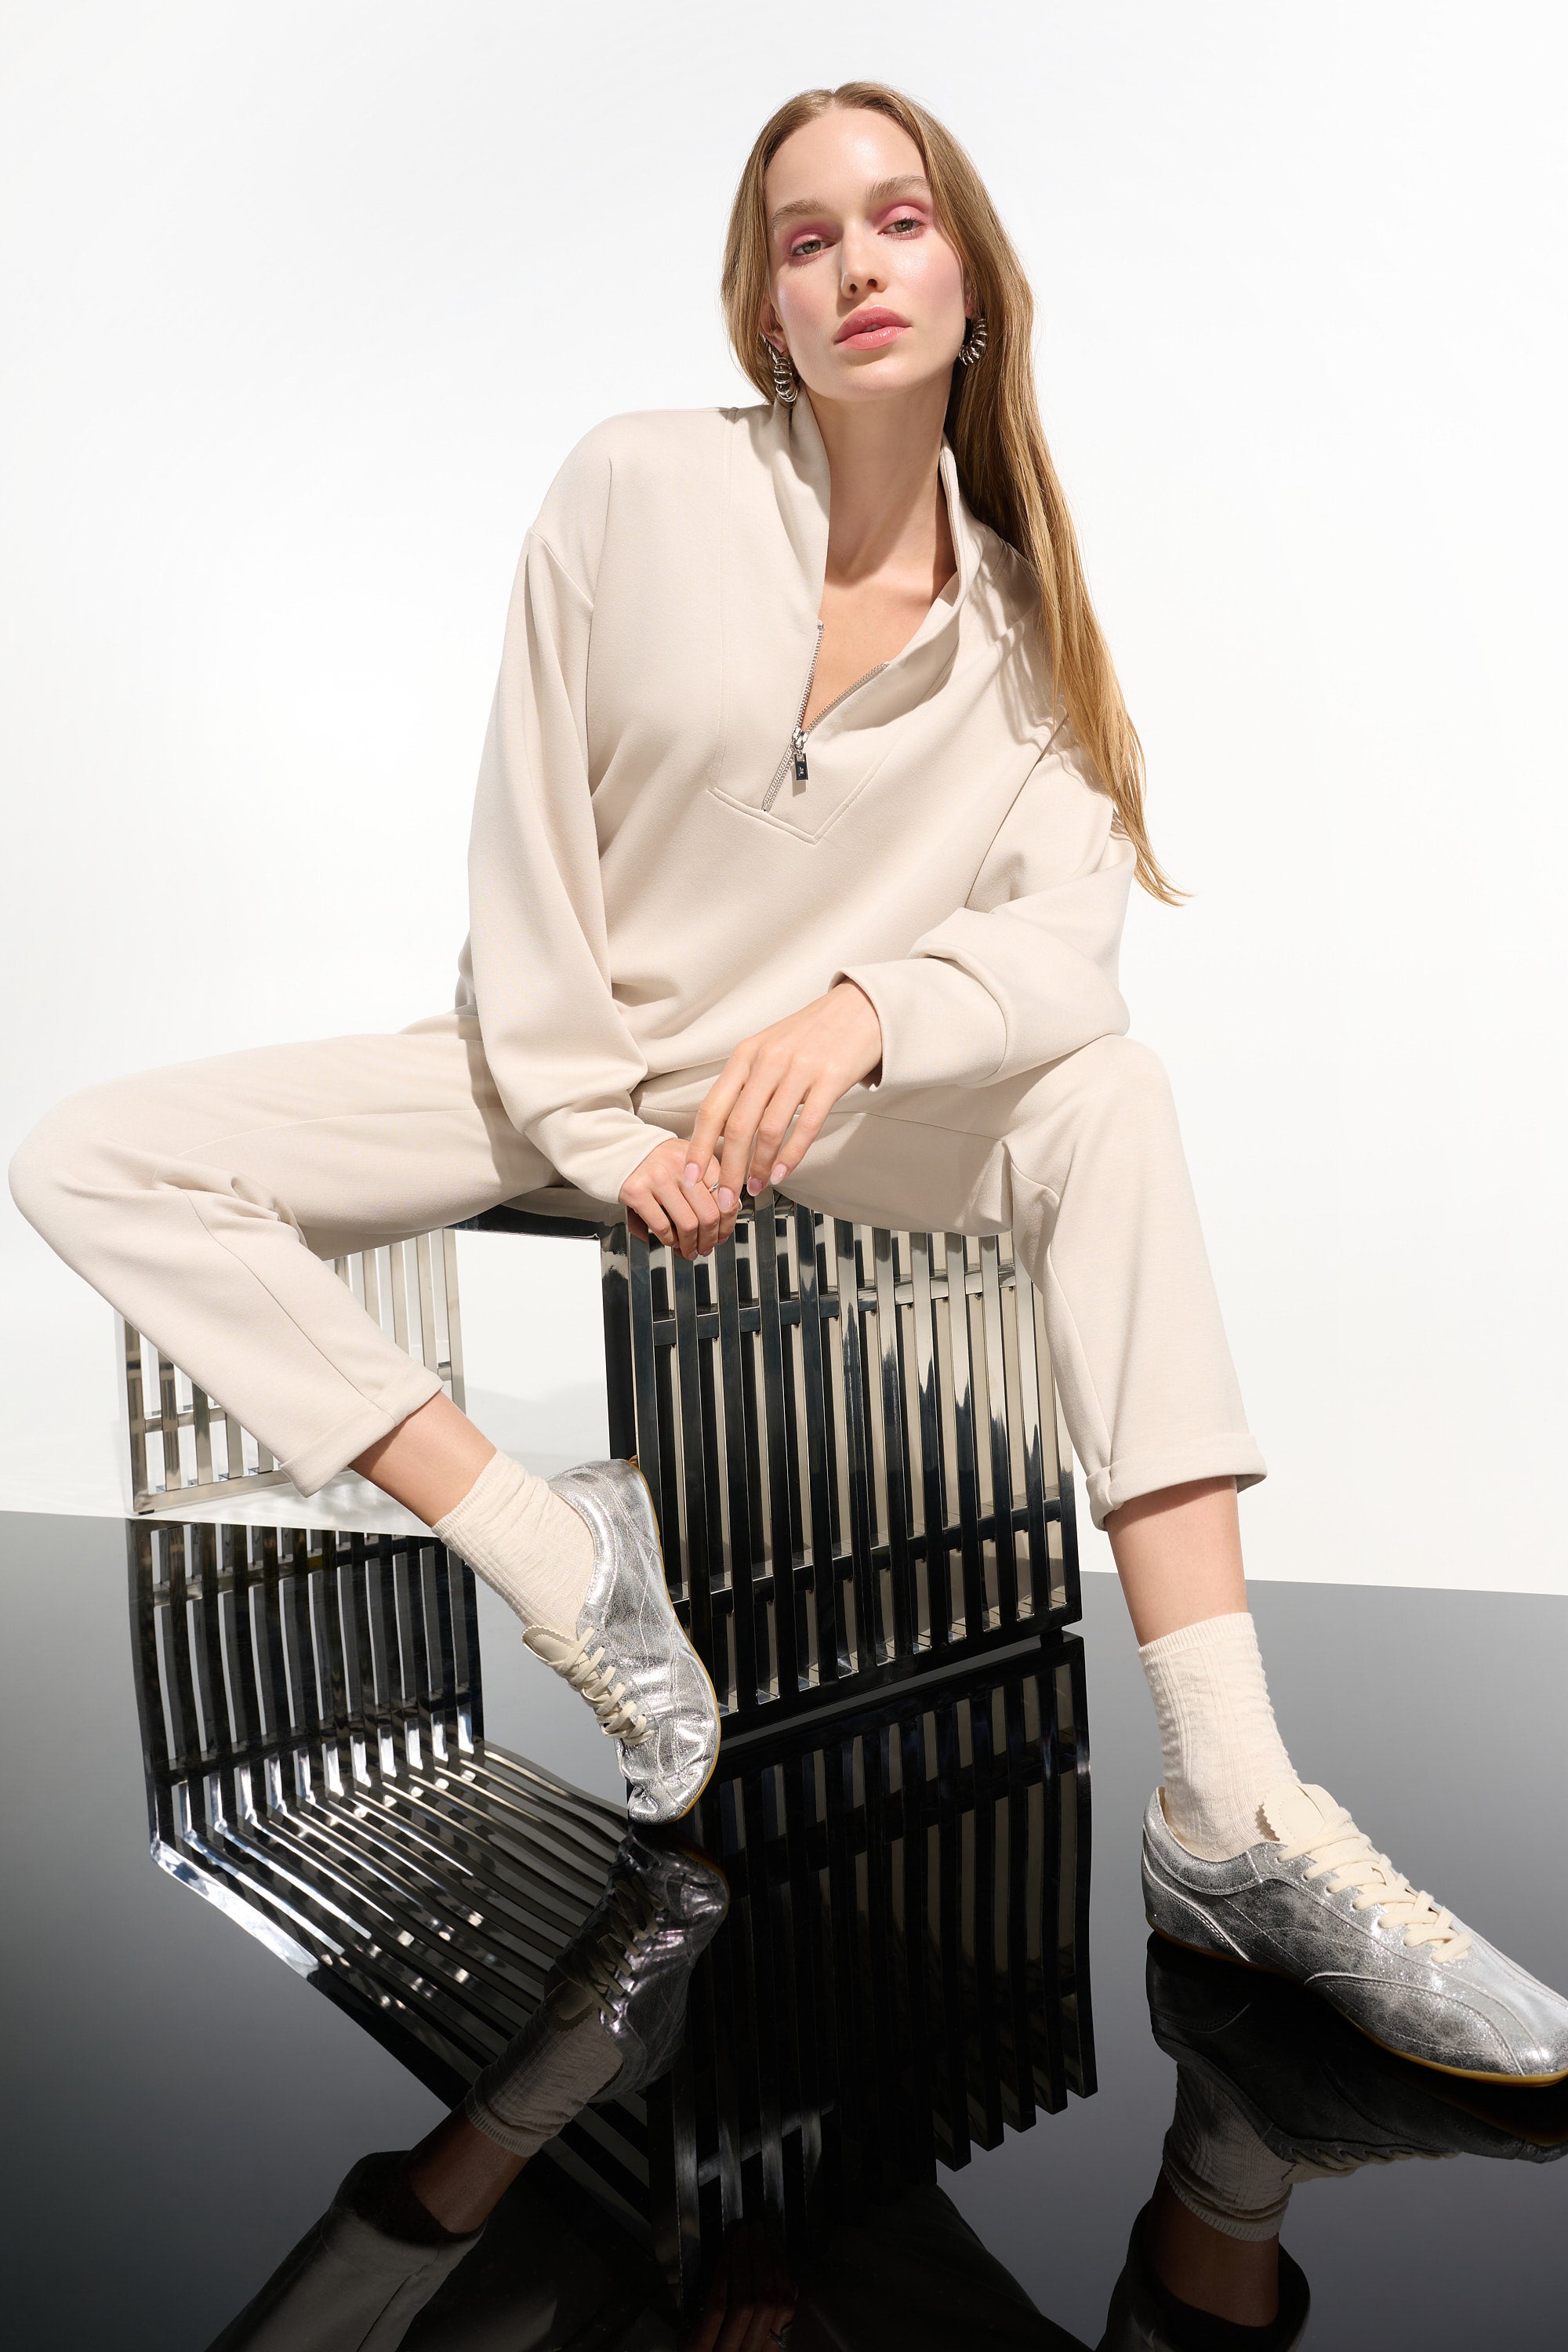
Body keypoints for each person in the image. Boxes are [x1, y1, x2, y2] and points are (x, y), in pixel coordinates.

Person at [10, 82, 1567, 2074]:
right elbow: (523, 845)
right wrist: (596, 1131)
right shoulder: (636, 485)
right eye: (805, 238)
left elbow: (1062, 952)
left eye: (899, 220)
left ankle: (1233, 1807)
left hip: (818, 1118)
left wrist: (861, 1013)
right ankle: (549, 1548)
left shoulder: (1027, 634)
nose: (854, 266)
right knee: (94, 1155)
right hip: (552, 1067)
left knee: (1110, 1097)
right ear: (764, 308)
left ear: (973, 277)